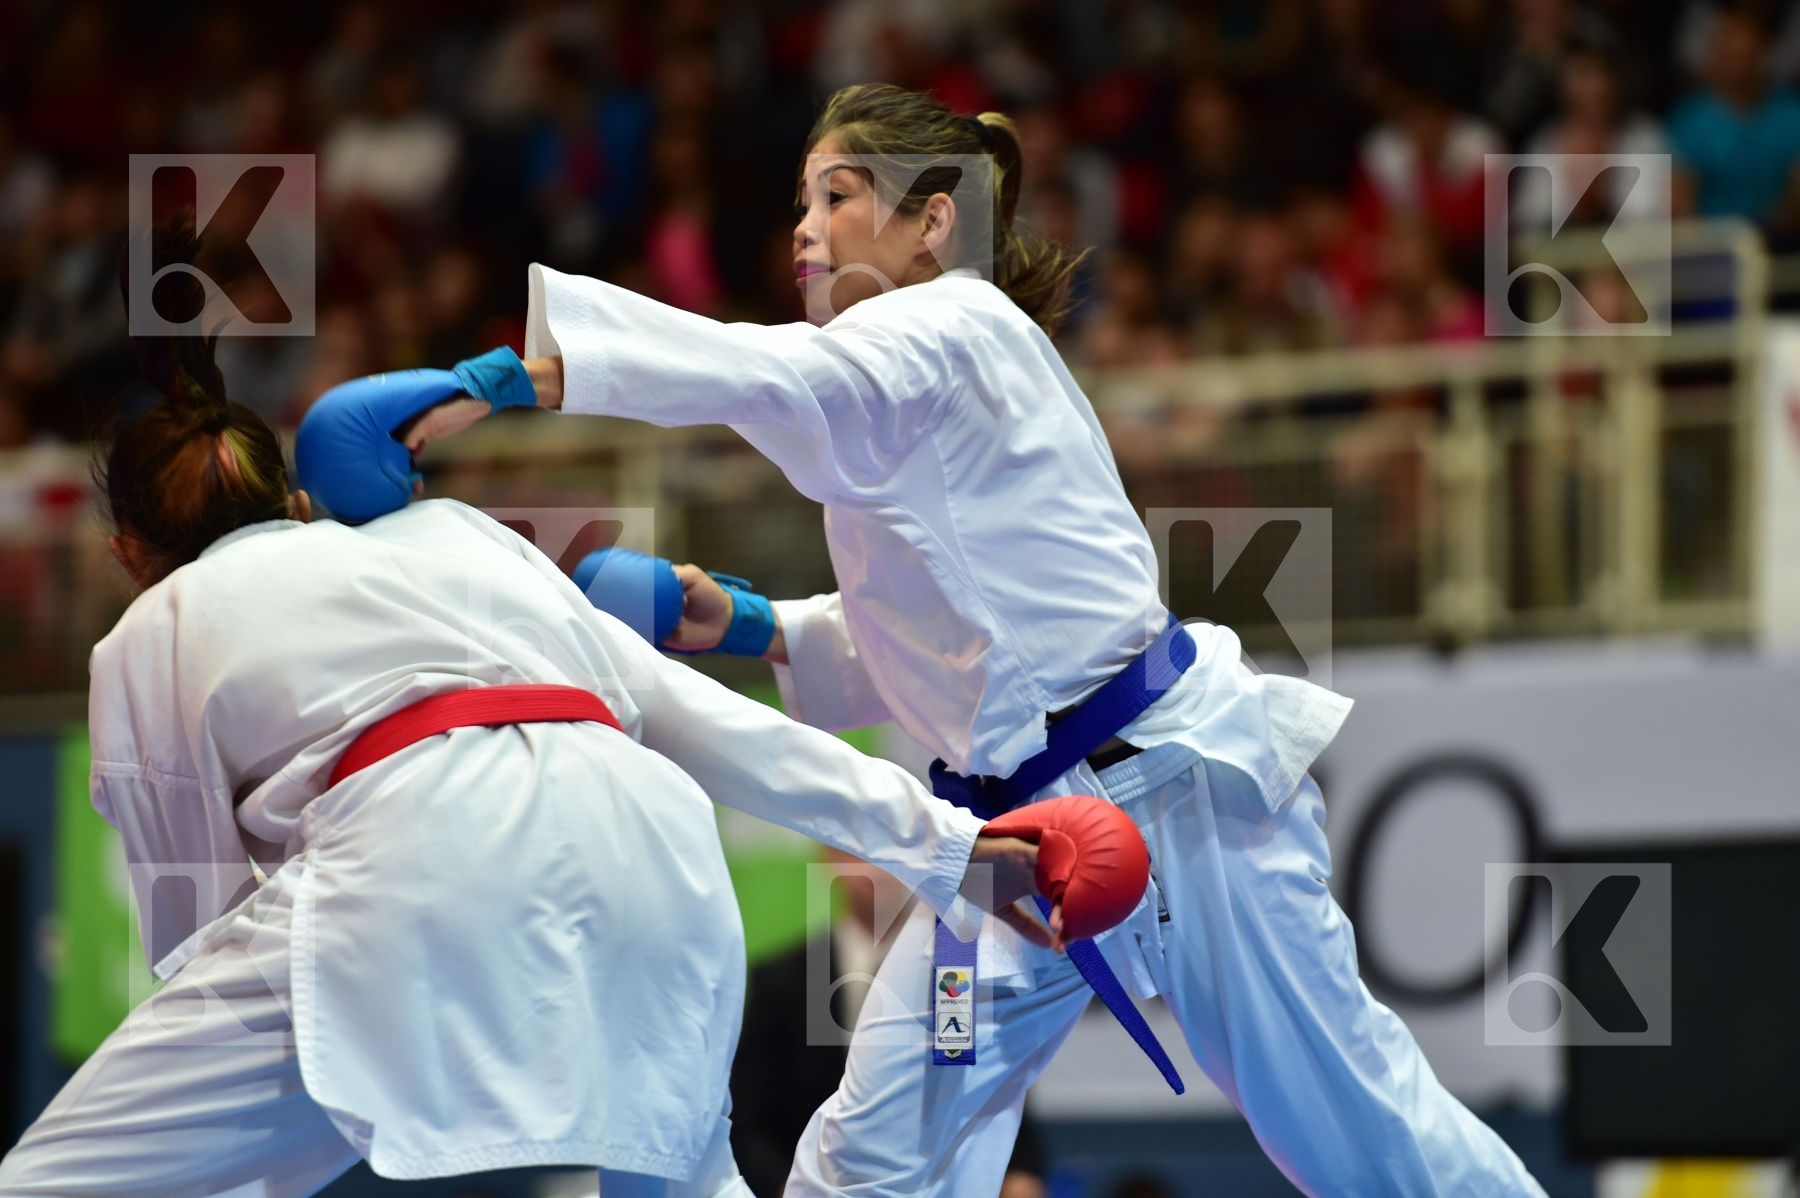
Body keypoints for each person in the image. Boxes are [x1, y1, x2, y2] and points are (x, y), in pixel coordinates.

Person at [300, 83, 1548, 1196]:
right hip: (1004, 856)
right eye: (801, 202)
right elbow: (944, 629)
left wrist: (505, 379)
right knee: (870, 1159)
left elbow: (775, 380)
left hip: (1174, 798)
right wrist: (741, 620)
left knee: (1364, 1137)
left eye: (838, 197)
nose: (804, 227)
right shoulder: (904, 391)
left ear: (933, 222)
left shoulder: (956, 330)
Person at [0, 225, 1146, 1198]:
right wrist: (961, 852)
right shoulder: (457, 536)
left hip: (411, 860)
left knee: (57, 1179)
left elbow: (195, 935)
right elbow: (710, 725)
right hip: (655, 853)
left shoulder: (145, 634)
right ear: (293, 498)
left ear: (124, 550)